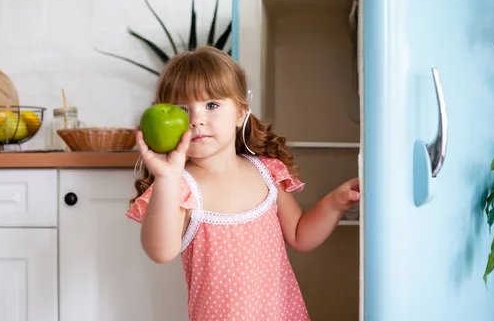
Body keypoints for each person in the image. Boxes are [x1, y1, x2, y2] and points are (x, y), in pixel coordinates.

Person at [126, 46, 360, 321]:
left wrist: (334, 203)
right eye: (182, 109)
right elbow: (160, 252)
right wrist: (166, 178)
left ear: (240, 112)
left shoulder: (266, 172)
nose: (196, 120)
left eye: (211, 105)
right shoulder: (179, 187)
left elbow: (300, 234)